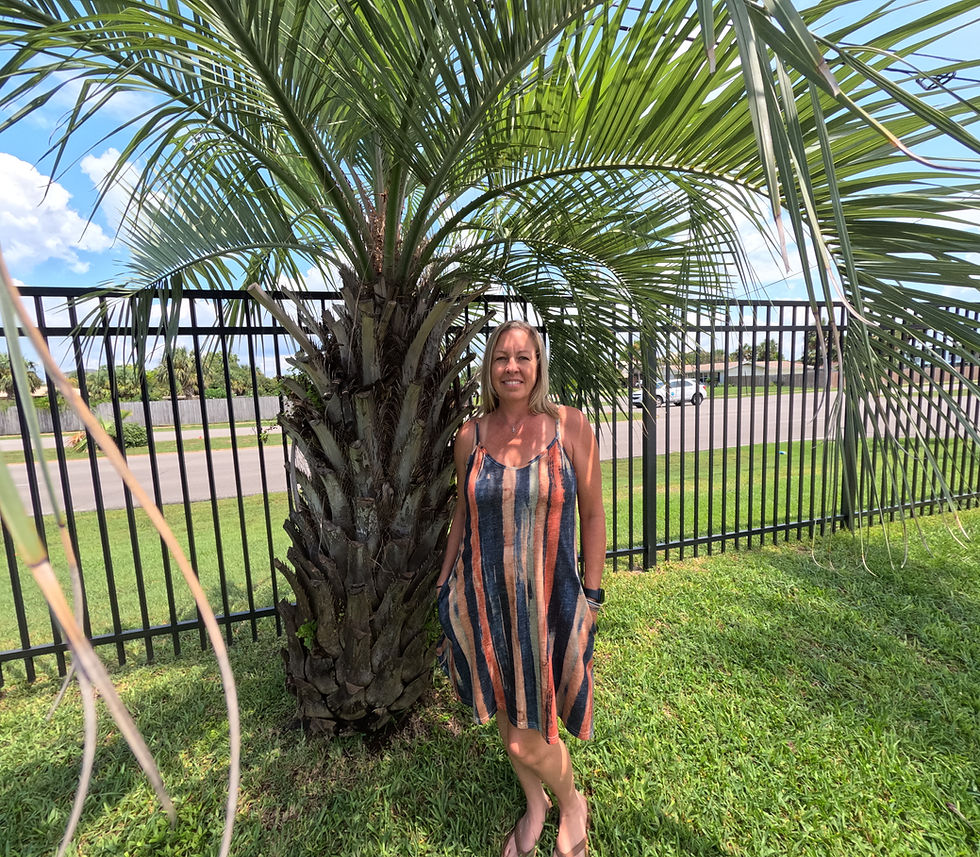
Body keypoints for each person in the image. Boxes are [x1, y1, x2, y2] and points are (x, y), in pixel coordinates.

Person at [436, 320, 606, 857]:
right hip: (488, 602)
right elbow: (461, 517)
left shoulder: (571, 427)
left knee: (526, 732)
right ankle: (537, 806)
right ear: (489, 369)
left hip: (551, 602)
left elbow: (595, 517)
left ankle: (571, 802)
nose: (512, 367)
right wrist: (444, 585)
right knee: (511, 713)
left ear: (539, 366)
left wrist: (593, 595)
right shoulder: (471, 436)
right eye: (501, 358)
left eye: (523, 357)